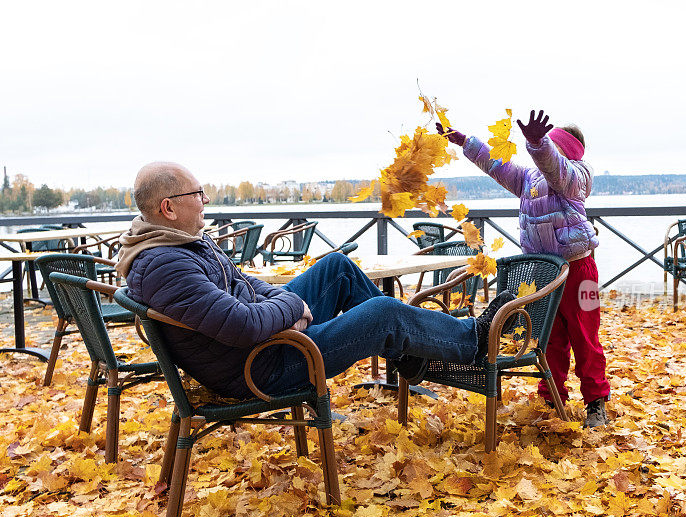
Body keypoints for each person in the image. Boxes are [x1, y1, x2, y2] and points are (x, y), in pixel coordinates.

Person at [116, 162, 514, 401]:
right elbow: (242, 325)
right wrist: (293, 309)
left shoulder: (180, 244)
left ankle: (411, 356)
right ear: (168, 208)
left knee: (336, 267)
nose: (205, 200)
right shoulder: (166, 264)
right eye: (197, 194)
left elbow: (249, 285)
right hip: (260, 368)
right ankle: (472, 342)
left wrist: (282, 305)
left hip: (268, 342)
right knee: (383, 314)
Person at [437, 109, 611, 428]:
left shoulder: (578, 176)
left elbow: (557, 171)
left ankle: (596, 402)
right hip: (546, 273)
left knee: (586, 337)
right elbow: (497, 165)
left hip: (580, 271)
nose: (543, 156)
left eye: (550, 148)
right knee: (550, 339)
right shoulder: (528, 179)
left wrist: (539, 144)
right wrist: (466, 142)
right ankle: (550, 396)